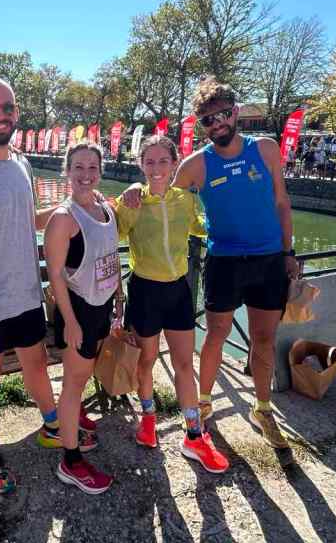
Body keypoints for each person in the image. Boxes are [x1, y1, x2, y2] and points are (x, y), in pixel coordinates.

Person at [126, 77, 299, 448]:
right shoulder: (194, 165)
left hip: (269, 258)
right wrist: (134, 190)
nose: (217, 123)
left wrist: (289, 253)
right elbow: (161, 190)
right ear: (202, 125)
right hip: (224, 261)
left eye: (222, 114)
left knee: (264, 338)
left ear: (235, 113)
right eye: (208, 119)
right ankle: (203, 403)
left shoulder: (266, 149)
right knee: (216, 334)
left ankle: (263, 408)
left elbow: (282, 203)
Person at [0, 77, 95, 496]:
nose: (0, 115)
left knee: (37, 362)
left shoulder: (21, 163)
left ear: (16, 113)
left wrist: (74, 207)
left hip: (26, 295)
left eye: (7, 107)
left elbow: (25, 220)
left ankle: (51, 424)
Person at [113, 135, 229, 472]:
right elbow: (113, 233)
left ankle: (194, 434)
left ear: (175, 163)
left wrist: (233, 219)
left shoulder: (186, 199)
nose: (157, 168)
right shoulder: (132, 200)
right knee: (146, 361)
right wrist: (126, 199)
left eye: (163, 161)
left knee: (183, 364)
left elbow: (203, 228)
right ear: (140, 165)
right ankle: (148, 419)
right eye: (149, 161)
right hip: (144, 292)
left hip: (178, 290)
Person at [44, 142, 120, 494]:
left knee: (83, 375)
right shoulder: (64, 219)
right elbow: (55, 275)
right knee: (73, 383)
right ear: (67, 171)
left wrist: (119, 297)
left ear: (100, 172)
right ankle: (70, 461)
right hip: (78, 311)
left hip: (101, 306)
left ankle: (72, 422)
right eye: (78, 167)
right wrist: (71, 322)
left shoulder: (105, 208)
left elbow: (110, 257)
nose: (86, 174)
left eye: (92, 167)